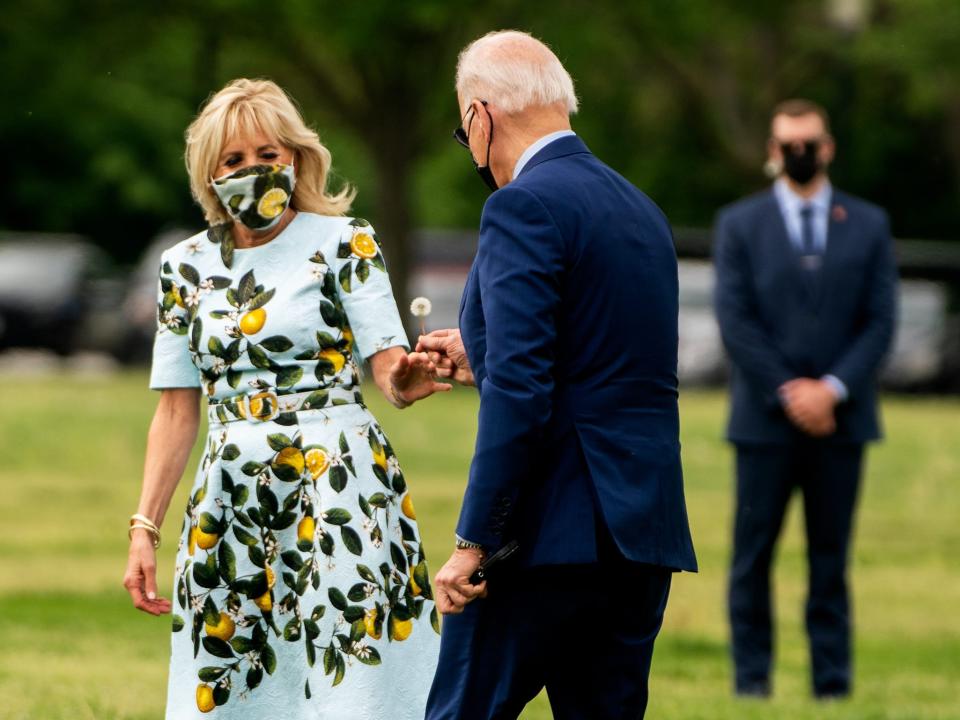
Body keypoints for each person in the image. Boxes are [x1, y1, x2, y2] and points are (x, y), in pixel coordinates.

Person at [122, 78, 446, 719]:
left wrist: (405, 382)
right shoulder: (181, 267)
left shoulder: (346, 243)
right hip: (230, 497)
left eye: (268, 155)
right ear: (208, 174)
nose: (254, 172)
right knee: (236, 679)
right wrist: (145, 527)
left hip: (339, 486)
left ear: (295, 158)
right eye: (234, 161)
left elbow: (388, 367)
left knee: (350, 677)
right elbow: (176, 409)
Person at [418, 31, 697, 720]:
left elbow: (522, 392)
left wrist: (473, 541)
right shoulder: (643, 211)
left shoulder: (521, 205)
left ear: (480, 117)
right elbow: (603, 360)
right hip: (639, 531)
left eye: (464, 129)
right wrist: (483, 352)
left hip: (548, 534)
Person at [713, 99, 898, 699]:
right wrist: (790, 391)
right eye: (787, 144)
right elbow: (735, 320)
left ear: (827, 147)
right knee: (752, 560)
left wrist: (832, 390)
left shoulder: (867, 224)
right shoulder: (739, 224)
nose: (798, 154)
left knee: (830, 562)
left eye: (809, 143)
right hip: (764, 423)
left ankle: (833, 686)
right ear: (772, 150)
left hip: (841, 425)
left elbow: (880, 321)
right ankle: (751, 684)